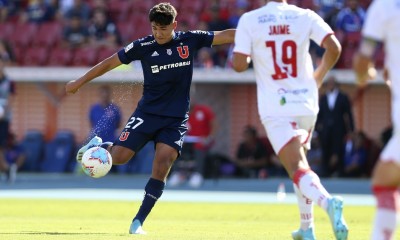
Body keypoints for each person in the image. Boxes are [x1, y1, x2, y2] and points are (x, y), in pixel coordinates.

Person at [65, 2, 235, 234]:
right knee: (121, 158)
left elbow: (225, 36)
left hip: (175, 119)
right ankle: (101, 145)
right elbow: (109, 63)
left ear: (174, 25)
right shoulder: (142, 46)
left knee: (163, 163)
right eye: (155, 28)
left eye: (163, 29)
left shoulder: (190, 39)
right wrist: (79, 82)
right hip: (147, 114)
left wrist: (254, 35)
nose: (158, 33)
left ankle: (138, 222)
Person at [231, 1, 348, 239]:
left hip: (276, 105)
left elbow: (239, 65)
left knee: (295, 168)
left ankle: (327, 202)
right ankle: (306, 229)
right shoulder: (305, 15)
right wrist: (318, 76)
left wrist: (251, 48)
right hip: (306, 103)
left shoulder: (251, 20)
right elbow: (334, 48)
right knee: (301, 164)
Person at [352, 0, 400, 238]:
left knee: (385, 179)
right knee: (385, 177)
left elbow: (363, 60)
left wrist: (363, 75)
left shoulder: (384, 7)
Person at [168, 88, 217, 187]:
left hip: (202, 139)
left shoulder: (204, 110)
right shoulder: (179, 112)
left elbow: (215, 126)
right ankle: (177, 173)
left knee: (199, 145)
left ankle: (198, 174)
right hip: (186, 140)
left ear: (194, 98)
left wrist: (209, 138)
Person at [317, 76, 354, 177]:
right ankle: (326, 170)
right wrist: (317, 128)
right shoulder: (323, 98)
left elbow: (348, 114)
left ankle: (339, 170)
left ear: (336, 84)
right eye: (329, 83)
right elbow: (319, 114)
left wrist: (351, 129)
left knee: (339, 149)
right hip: (325, 129)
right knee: (325, 149)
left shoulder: (343, 97)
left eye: (332, 83)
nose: (331, 85)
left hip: (339, 128)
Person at [0, 56, 14, 182]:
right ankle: (6, 168)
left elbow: (10, 100)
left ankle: (6, 168)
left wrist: (3, 114)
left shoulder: (9, 82)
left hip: (3, 120)